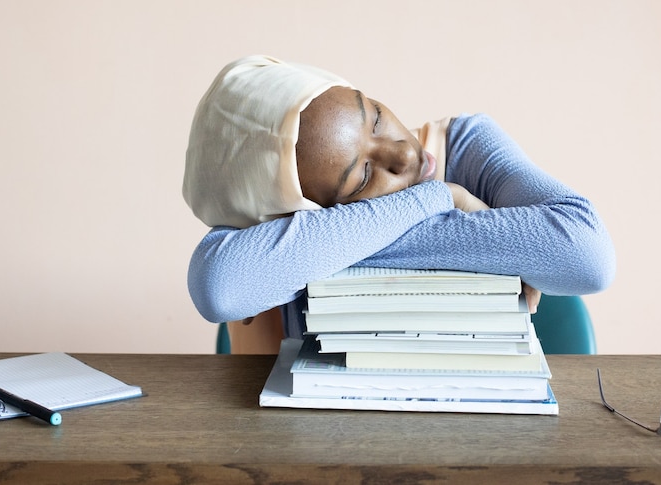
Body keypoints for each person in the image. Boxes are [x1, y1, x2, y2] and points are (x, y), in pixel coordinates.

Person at [183, 55, 615, 353]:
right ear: (298, 213)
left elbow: (588, 256)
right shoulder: (256, 219)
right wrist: (438, 198)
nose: (405, 155)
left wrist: (332, 246)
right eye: (364, 176)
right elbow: (220, 287)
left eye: (373, 115)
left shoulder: (464, 145)